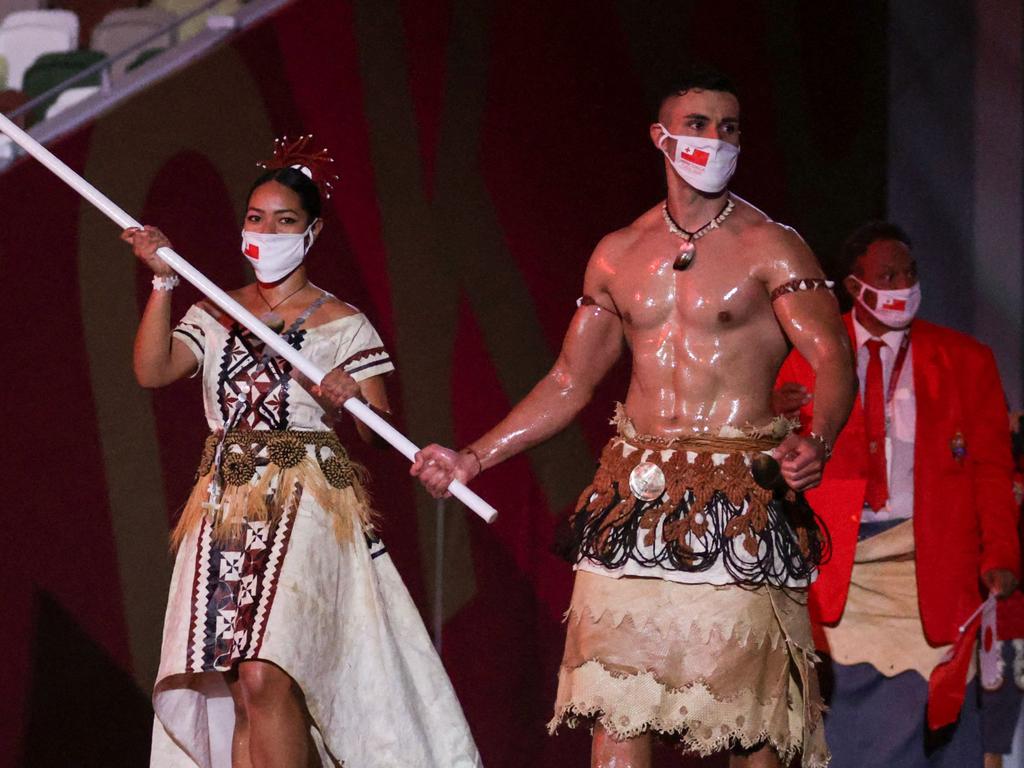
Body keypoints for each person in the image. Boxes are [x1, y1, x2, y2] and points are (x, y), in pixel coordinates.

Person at [412, 66, 856, 768]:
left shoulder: (773, 246)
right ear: (662, 136)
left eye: (729, 127)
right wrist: (474, 456)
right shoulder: (618, 255)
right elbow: (568, 380)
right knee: (617, 709)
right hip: (634, 498)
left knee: (752, 720)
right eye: (699, 125)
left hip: (739, 495)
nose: (715, 140)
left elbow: (833, 357)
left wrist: (819, 437)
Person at [125, 137, 482, 768]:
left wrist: (352, 402)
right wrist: (162, 280)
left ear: (311, 232)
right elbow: (154, 370)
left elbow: (378, 430)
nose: (265, 231)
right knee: (239, 684)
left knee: (270, 674)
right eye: (255, 218)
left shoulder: (345, 323)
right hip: (226, 503)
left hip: (308, 499)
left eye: (284, 220)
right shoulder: (215, 309)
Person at [774, 221, 1020, 767]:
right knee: (863, 730)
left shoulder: (966, 360)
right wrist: (778, 417)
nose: (902, 285)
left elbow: (992, 470)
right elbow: (775, 457)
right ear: (853, 286)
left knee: (938, 718)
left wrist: (1001, 554)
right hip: (843, 568)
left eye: (910, 274)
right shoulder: (807, 355)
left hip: (932, 566)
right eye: (887, 275)